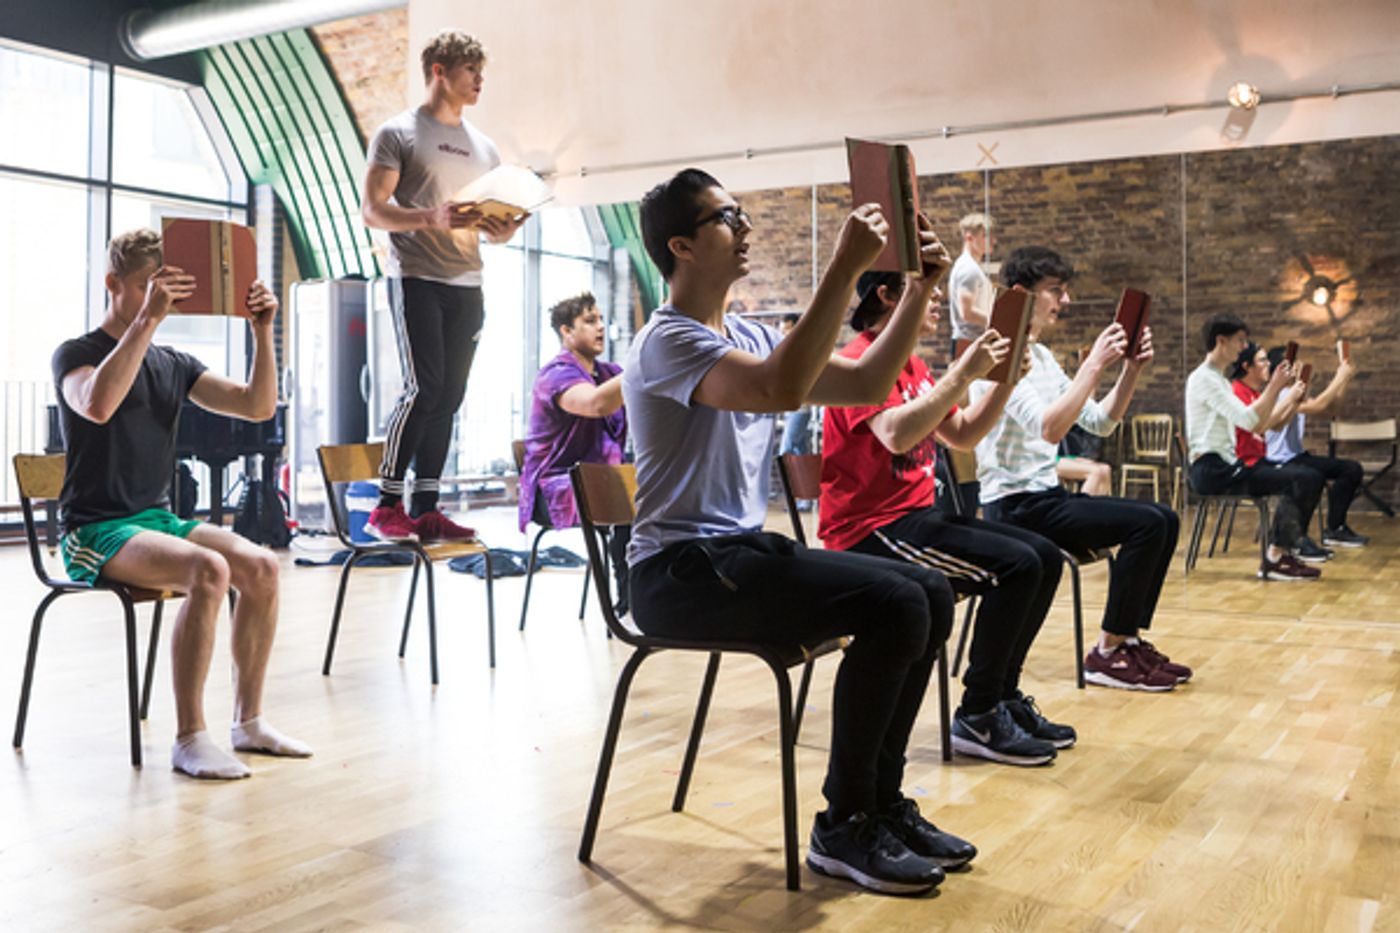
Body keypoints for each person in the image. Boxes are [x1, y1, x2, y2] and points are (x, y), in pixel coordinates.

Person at [625, 168, 973, 895]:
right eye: (727, 216)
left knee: (931, 594)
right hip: (678, 573)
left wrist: (919, 289)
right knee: (898, 603)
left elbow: (868, 383)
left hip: (740, 553)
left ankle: (879, 803)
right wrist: (845, 267)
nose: (744, 225)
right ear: (682, 245)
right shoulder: (666, 340)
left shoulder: (748, 331)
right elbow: (776, 389)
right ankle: (844, 823)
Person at [53, 229, 311, 780]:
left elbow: (257, 407)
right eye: (148, 288)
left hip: (157, 519)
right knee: (208, 568)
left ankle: (249, 722)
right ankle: (190, 737)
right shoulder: (77, 354)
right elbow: (96, 405)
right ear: (113, 284)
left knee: (262, 566)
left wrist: (263, 332)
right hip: (94, 529)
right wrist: (146, 321)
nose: (158, 300)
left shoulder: (174, 362)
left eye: (165, 289)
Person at [820, 269, 1075, 766]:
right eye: (925, 290)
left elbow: (963, 435)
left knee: (1042, 556)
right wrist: (964, 373)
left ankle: (1000, 696)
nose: (937, 299)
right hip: (871, 530)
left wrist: (1003, 381)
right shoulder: (859, 362)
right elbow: (895, 435)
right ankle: (979, 712)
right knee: (1017, 566)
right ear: (887, 295)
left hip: (916, 518)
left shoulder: (913, 365)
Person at [972, 246, 1187, 692]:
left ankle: (1125, 640)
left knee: (1163, 518)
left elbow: (1099, 422)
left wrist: (1130, 370)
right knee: (1148, 524)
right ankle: (1108, 651)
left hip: (1045, 499)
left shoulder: (1044, 357)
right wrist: (1092, 364)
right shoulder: (1000, 354)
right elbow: (1049, 428)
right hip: (1013, 507)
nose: (1064, 301)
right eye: (1056, 291)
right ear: (1022, 295)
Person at [361, 29, 526, 542]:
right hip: (416, 278)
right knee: (424, 387)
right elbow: (373, 211)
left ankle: (427, 505)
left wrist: (504, 230)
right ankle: (387, 504)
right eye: (471, 71)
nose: (480, 81)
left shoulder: (485, 148)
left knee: (450, 395)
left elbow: (492, 220)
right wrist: (429, 217)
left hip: (467, 282)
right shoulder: (398, 133)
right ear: (439, 71)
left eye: (481, 72)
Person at [1185, 314, 1320, 580]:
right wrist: (1275, 387)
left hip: (1225, 466)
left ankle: (1279, 554)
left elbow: (1258, 424)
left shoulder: (1219, 380)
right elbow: (1250, 421)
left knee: (1307, 477)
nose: (1242, 347)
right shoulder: (1205, 379)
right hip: (1212, 471)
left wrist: (1281, 393)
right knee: (1304, 478)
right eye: (1240, 340)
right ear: (1221, 341)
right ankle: (1276, 558)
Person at [519, 292, 630, 611]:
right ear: (566, 332)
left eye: (601, 320)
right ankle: (630, 598)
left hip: (601, 481)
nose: (600, 328)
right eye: (590, 321)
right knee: (629, 494)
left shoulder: (609, 373)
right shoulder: (555, 375)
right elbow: (594, 403)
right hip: (553, 486)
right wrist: (643, 368)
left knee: (653, 485)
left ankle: (653, 591)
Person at [1229, 343, 1327, 561]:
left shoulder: (1255, 393)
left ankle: (1291, 542)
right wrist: (1288, 396)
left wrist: (1293, 399)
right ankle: (1280, 549)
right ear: (1247, 366)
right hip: (1243, 466)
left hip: (1259, 461)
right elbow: (1261, 425)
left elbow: (1276, 424)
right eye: (1262, 361)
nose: (1268, 365)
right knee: (1302, 478)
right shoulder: (1236, 392)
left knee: (1312, 476)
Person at [1263, 344, 1367, 547]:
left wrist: (1344, 379)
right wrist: (1340, 376)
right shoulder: (1281, 395)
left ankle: (1335, 529)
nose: (1299, 368)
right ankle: (1295, 538)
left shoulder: (1294, 394)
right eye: (1293, 366)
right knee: (1312, 478)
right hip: (1278, 460)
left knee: (1351, 469)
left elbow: (1331, 410)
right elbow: (1319, 404)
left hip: (1296, 456)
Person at [946, 213, 995, 352]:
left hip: (972, 341)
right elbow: (967, 312)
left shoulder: (971, 266)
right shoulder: (969, 269)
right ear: (969, 237)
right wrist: (997, 320)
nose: (993, 241)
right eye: (986, 236)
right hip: (968, 343)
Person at [776, 314, 815, 457]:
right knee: (799, 450)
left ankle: (789, 479)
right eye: (781, 330)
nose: (783, 334)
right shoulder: (789, 350)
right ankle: (805, 479)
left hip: (800, 408)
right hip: (792, 408)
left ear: (795, 328)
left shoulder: (802, 350)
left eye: (786, 329)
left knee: (786, 450)